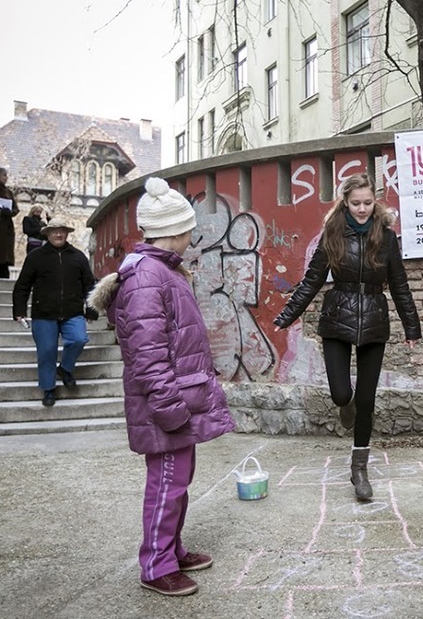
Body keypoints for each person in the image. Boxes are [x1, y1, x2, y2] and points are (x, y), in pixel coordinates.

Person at [87, 177, 235, 597]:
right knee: (167, 482)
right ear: (176, 230)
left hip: (178, 400)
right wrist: (169, 407)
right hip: (165, 404)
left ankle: (172, 548)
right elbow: (148, 355)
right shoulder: (148, 278)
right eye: (189, 229)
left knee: (178, 479)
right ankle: (155, 564)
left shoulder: (160, 271)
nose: (192, 236)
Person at [274, 173, 421, 502]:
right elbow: (312, 280)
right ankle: (346, 405)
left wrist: (412, 327)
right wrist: (287, 316)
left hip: (373, 320)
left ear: (375, 201)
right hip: (337, 317)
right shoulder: (333, 233)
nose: (362, 209)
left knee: (366, 400)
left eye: (368, 203)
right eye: (356, 203)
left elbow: (399, 285)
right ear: (345, 201)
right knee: (342, 394)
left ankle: (359, 468)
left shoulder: (385, 237)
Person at [13, 218, 97, 407]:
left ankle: (66, 369)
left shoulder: (78, 257)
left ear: (67, 234)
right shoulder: (36, 256)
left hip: (72, 312)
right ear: (47, 234)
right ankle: (49, 389)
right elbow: (22, 286)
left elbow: (89, 285)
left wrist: (91, 309)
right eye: (54, 231)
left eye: (62, 231)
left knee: (79, 339)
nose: (58, 234)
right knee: (46, 351)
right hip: (44, 313)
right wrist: (19, 310)